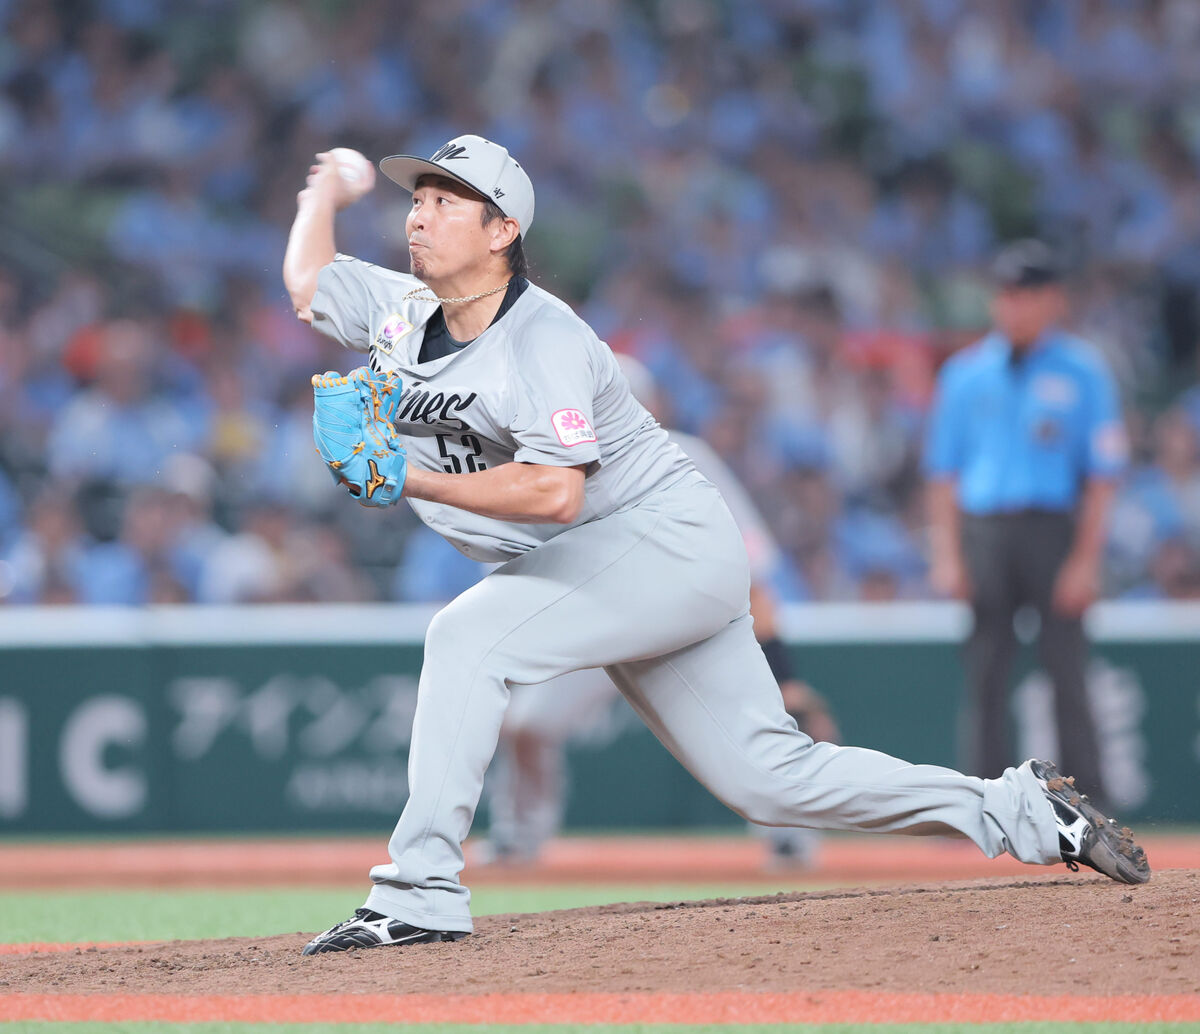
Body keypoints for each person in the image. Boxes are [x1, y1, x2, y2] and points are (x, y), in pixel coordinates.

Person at [282, 137, 1150, 955]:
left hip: (658, 541)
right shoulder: (402, 313)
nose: (419, 215)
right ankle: (1023, 810)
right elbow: (309, 281)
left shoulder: (543, 338)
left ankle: (419, 893)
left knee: (465, 638)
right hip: (605, 561)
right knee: (771, 779)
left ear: (503, 231)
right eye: (418, 199)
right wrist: (324, 192)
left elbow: (555, 491)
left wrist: (407, 476)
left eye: (446, 201)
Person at [477, 355, 838, 870]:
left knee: (749, 725)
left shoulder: (684, 456)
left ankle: (790, 836)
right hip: (596, 627)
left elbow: (750, 569)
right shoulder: (546, 473)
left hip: (682, 623)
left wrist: (785, 673)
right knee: (527, 725)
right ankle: (519, 837)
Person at [925, 240, 1126, 802]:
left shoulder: (1083, 371)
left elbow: (1103, 476)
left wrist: (1086, 560)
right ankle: (986, 801)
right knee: (985, 670)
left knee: (1067, 668)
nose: (1014, 306)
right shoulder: (966, 373)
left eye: (1027, 294)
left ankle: (1087, 806)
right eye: (1007, 294)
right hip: (985, 529)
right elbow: (943, 473)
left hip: (1053, 528)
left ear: (1053, 299)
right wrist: (947, 554)